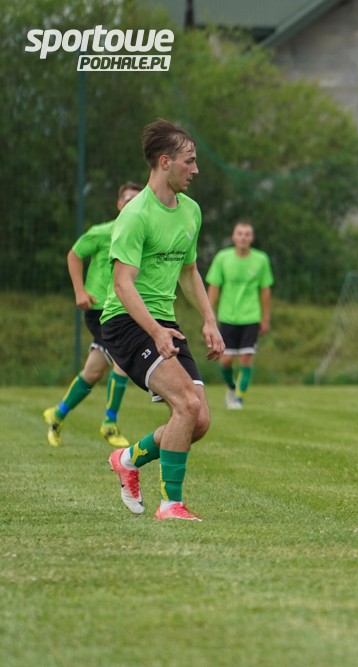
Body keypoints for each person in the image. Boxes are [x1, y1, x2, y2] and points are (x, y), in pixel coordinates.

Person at [101, 118, 224, 521]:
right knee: (186, 403)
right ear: (165, 162)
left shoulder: (191, 211)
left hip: (162, 321)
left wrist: (209, 320)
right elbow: (123, 285)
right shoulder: (135, 215)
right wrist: (154, 331)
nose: (196, 169)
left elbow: (189, 272)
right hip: (127, 322)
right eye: (189, 161)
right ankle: (171, 504)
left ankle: (127, 459)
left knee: (198, 420)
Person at [43, 182, 142, 448]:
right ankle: (109, 424)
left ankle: (57, 414)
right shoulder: (102, 232)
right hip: (100, 310)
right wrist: (80, 291)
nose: (132, 204)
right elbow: (74, 255)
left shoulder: (142, 236)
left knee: (93, 371)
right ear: (119, 204)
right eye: (128, 200)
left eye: (138, 200)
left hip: (124, 309)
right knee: (123, 361)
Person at [206, 221, 274, 410]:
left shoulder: (261, 259)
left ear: (252, 238)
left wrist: (265, 318)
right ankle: (231, 387)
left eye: (247, 234)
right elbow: (214, 287)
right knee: (226, 360)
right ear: (234, 237)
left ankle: (238, 399)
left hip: (251, 317)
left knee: (246, 358)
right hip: (227, 317)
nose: (243, 237)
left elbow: (265, 290)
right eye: (240, 233)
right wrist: (208, 314)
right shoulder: (222, 258)